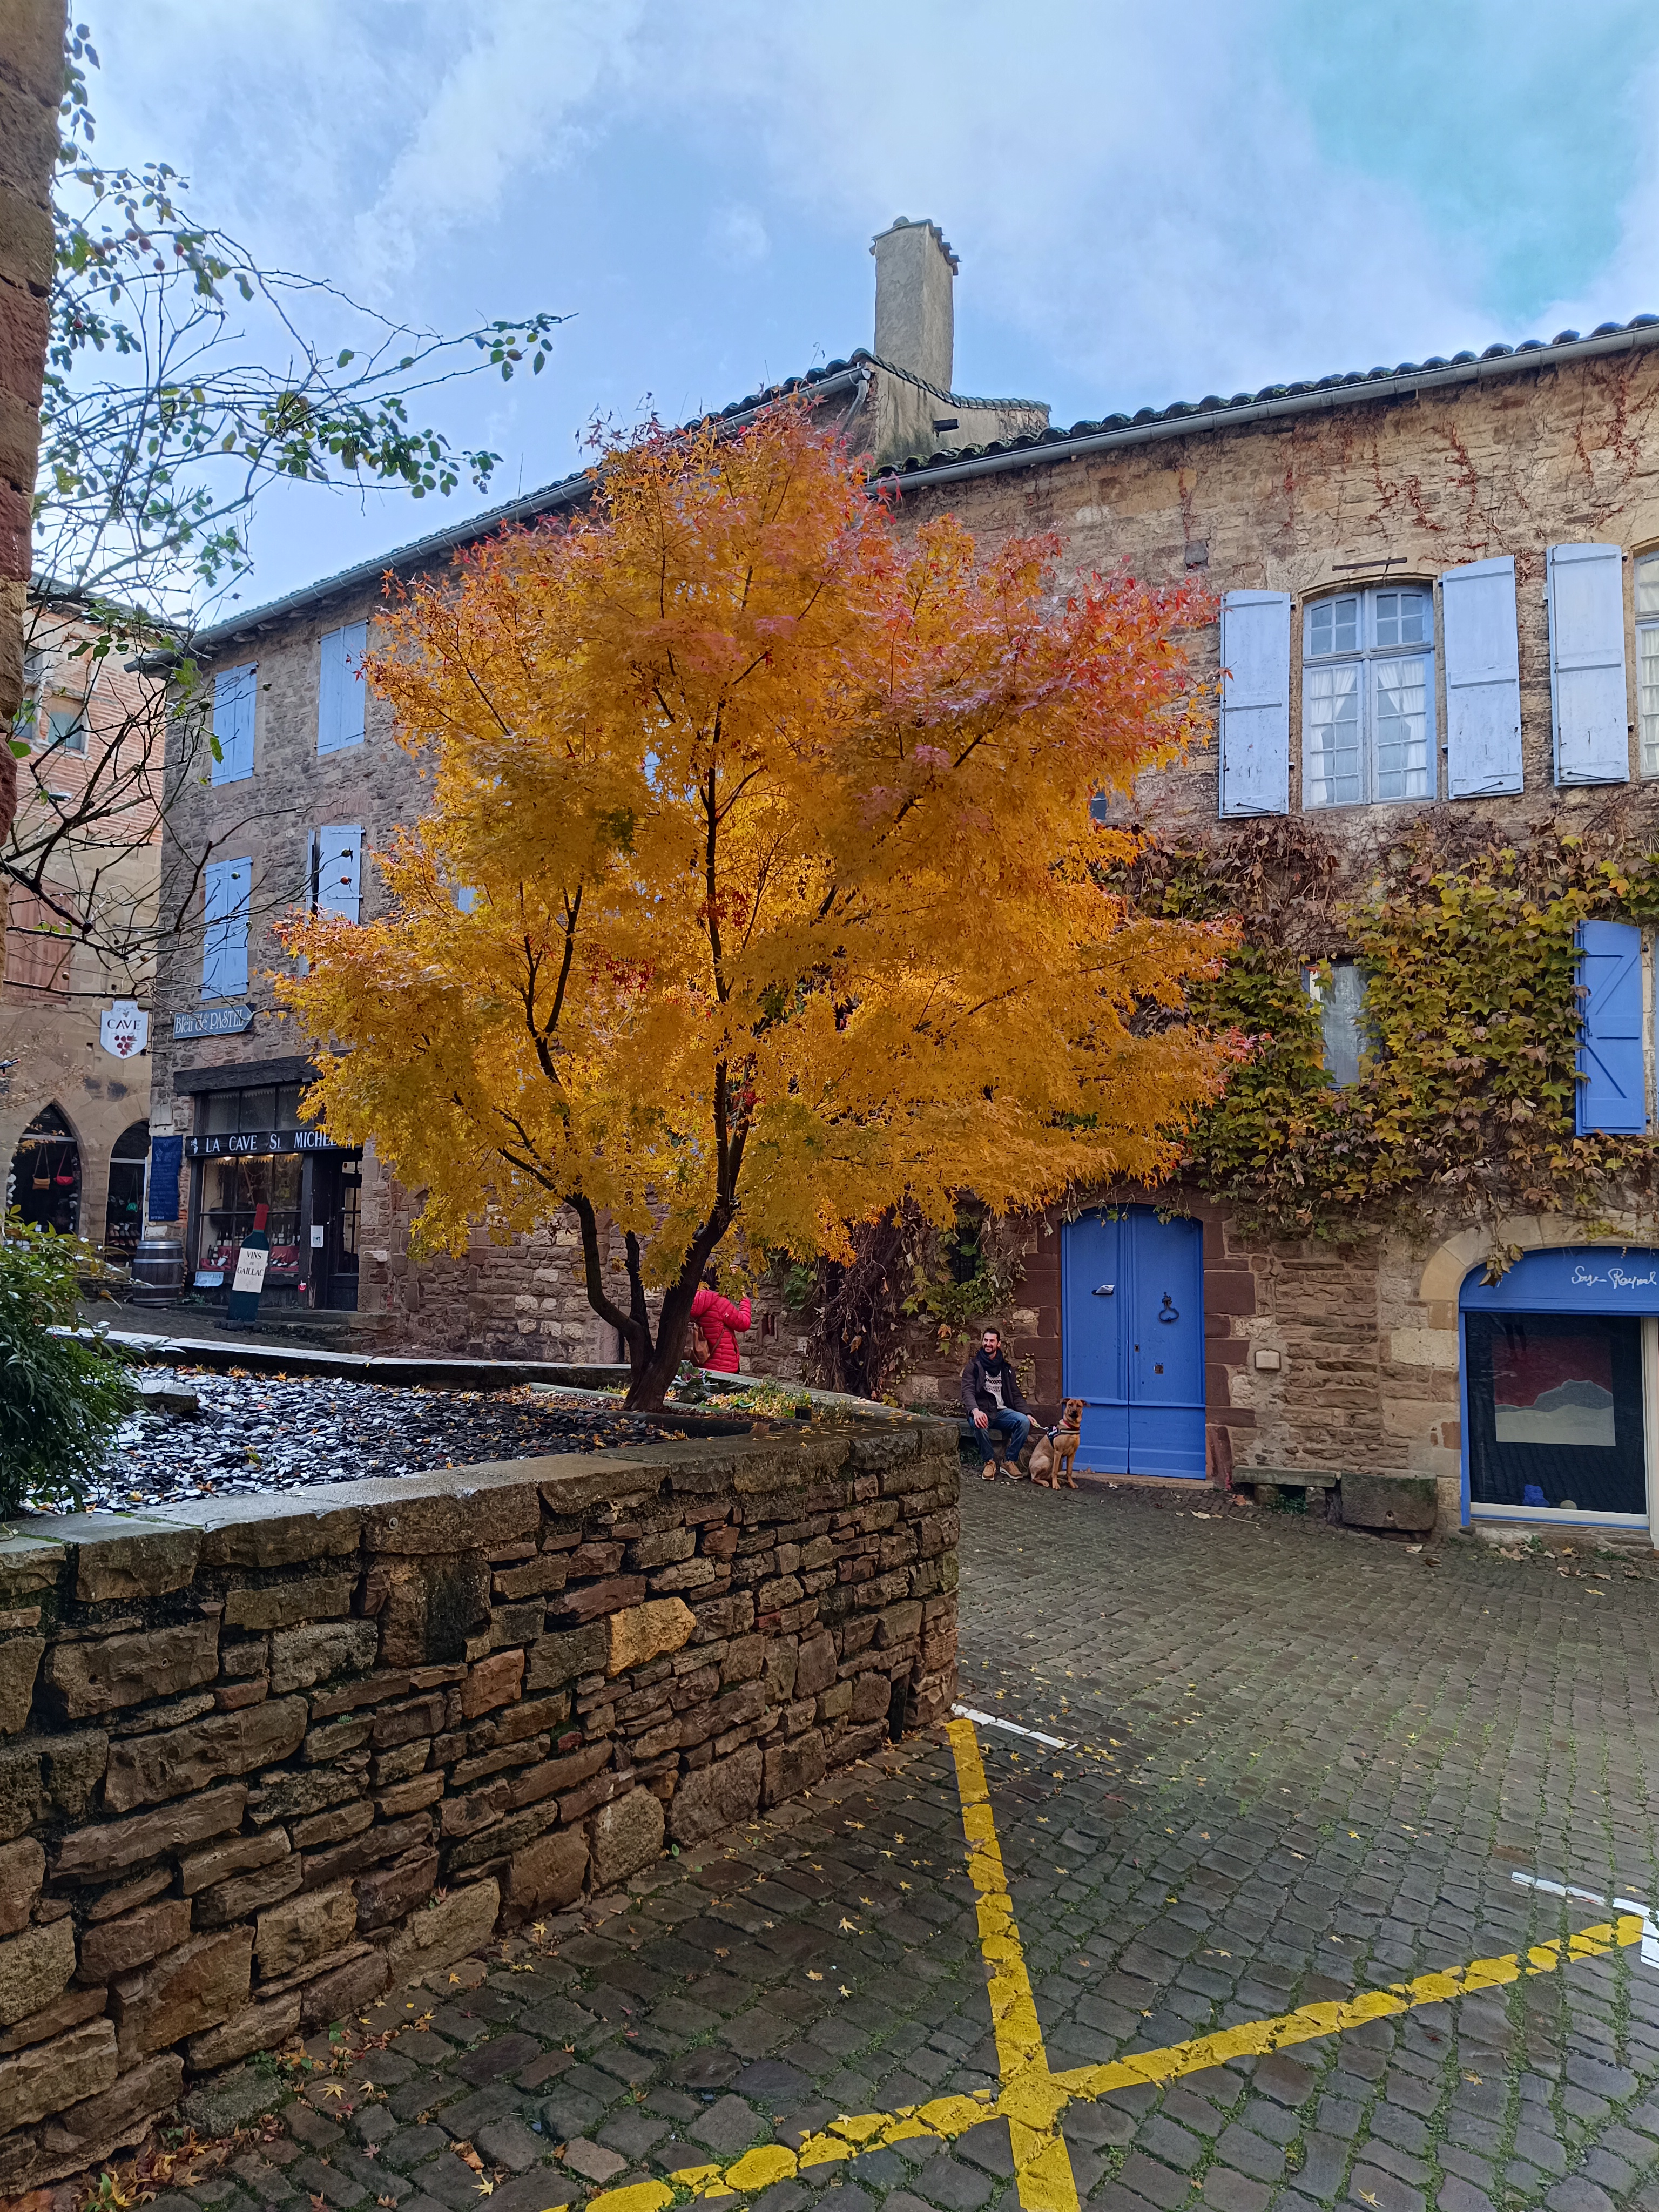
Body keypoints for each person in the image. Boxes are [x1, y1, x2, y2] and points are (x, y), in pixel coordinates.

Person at [961, 1325, 1031, 1479]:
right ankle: (989, 1462)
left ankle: (1009, 1461)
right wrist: (975, 1411)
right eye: (985, 1340)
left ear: (998, 1344)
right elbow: (967, 1391)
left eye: (992, 1341)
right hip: (982, 1412)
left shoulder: (1006, 1369)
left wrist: (1027, 1413)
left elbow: (1015, 1394)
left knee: (1024, 1422)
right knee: (979, 1424)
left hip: (1001, 1413)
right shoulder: (974, 1366)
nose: (988, 1344)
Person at [690, 1269, 752, 1374]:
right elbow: (744, 1324)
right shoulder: (720, 1304)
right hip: (723, 1365)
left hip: (698, 1362)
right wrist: (744, 1298)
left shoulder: (692, 1300)